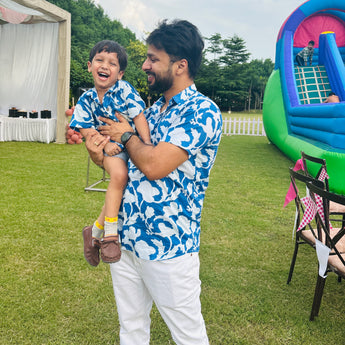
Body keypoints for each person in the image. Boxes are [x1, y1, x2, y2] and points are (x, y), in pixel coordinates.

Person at [85, 20, 222, 344]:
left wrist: (126, 135)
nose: (144, 65)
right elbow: (125, 162)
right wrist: (99, 152)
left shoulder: (202, 112)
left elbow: (154, 165)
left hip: (168, 248)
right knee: (131, 329)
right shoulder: (154, 111)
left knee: (189, 336)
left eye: (153, 59)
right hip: (125, 239)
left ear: (180, 65)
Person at [69, 40, 150, 266]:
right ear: (89, 65)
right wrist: (104, 146)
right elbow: (84, 127)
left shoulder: (124, 90)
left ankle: (94, 232)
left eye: (112, 63)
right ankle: (111, 235)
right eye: (99, 60)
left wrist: (147, 144)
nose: (105, 66)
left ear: (120, 73)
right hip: (111, 148)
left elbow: (138, 117)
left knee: (123, 187)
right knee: (118, 177)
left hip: (132, 145)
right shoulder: (86, 99)